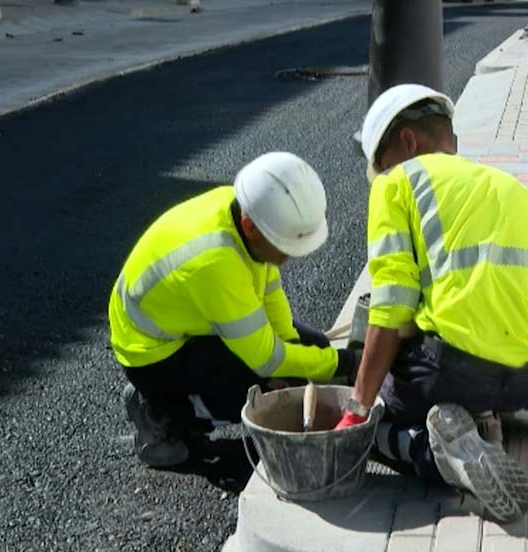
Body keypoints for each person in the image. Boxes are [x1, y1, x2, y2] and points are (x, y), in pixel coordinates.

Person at [335, 85, 528, 522]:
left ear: (407, 142)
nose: (382, 174)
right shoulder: (516, 189)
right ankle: (485, 422)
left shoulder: (397, 184)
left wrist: (357, 408)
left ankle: (438, 454)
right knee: (461, 351)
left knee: (378, 409)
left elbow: (391, 304)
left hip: (453, 372)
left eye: (381, 164)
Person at [110, 152, 359, 468]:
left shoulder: (245, 207)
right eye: (285, 246)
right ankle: (162, 414)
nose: (289, 257)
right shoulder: (216, 261)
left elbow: (269, 285)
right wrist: (345, 362)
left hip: (188, 319)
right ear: (250, 226)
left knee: (313, 353)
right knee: (257, 391)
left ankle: (167, 400)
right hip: (150, 350)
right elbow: (267, 360)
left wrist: (294, 343)